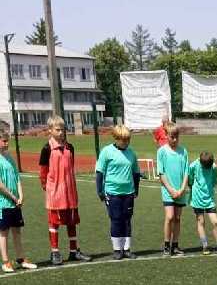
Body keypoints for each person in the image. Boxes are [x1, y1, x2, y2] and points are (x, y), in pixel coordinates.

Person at [39, 115, 90, 266]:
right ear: (50, 130)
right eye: (57, 130)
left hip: (70, 192)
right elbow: (43, 171)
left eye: (63, 129)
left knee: (71, 221)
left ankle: (74, 251)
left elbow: (70, 167)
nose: (61, 132)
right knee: (54, 223)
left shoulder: (70, 147)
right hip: (55, 193)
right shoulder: (47, 149)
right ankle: (54, 251)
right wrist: (48, 187)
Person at [95, 124, 141, 260]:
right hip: (112, 193)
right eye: (124, 140)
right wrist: (100, 191)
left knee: (127, 220)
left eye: (128, 139)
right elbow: (99, 172)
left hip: (128, 193)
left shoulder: (131, 153)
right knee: (116, 220)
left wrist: (136, 189)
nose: (126, 142)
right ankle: (117, 249)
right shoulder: (106, 152)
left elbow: (136, 173)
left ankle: (126, 249)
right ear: (116, 138)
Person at [0, 128, 37, 274]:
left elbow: (17, 178)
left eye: (7, 140)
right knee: (3, 232)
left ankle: (21, 259)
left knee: (17, 231)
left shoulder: (9, 157)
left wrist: (21, 195)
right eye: (4, 141)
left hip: (15, 203)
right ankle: (6, 262)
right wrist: (13, 197)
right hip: (3, 203)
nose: (7, 143)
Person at [157, 122, 189, 257]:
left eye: (177, 137)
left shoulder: (183, 151)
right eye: (172, 137)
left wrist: (182, 189)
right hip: (168, 191)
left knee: (177, 218)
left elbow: (186, 172)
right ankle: (166, 246)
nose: (175, 140)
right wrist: (170, 190)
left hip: (180, 191)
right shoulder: (162, 151)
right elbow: (161, 173)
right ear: (166, 136)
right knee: (169, 217)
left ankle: (175, 246)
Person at [188, 151, 217, 253]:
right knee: (201, 222)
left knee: (215, 222)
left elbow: (214, 181)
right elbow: (190, 180)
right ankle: (205, 246)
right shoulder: (193, 166)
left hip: (209, 199)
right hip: (197, 198)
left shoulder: (214, 167)